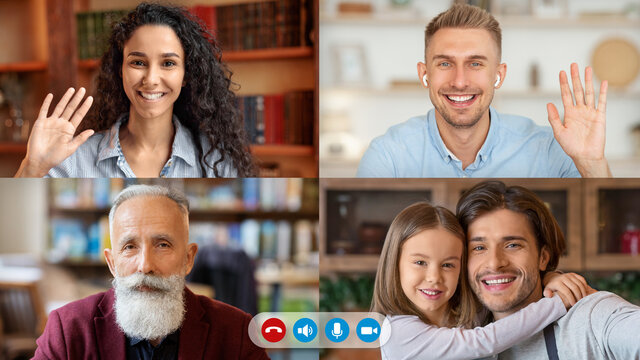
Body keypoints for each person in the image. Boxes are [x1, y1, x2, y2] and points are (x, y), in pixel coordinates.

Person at [357, 4, 610, 178]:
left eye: (475, 63)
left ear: (499, 75)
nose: (459, 81)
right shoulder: (388, 157)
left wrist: (591, 163)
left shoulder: (548, 151)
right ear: (425, 74)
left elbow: (607, 226)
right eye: (445, 63)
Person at [15, 3, 256, 178]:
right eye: (138, 62)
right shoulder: (72, 160)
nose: (151, 80)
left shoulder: (216, 161)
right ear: (120, 69)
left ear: (186, 75)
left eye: (168, 63)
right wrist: (32, 168)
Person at [33, 185, 269, 359]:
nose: (145, 265)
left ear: (188, 259)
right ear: (112, 263)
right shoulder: (67, 329)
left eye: (162, 245)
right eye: (129, 247)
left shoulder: (237, 332)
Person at [371, 201, 592, 360]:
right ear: (394, 264)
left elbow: (511, 285)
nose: (434, 278)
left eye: (448, 264)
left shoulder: (467, 313)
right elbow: (485, 340)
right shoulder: (398, 332)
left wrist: (548, 277)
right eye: (420, 262)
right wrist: (556, 302)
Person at [457, 181, 640, 359]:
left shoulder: (588, 319)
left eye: (512, 245)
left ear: (543, 257)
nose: (495, 263)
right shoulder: (459, 332)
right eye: (479, 248)